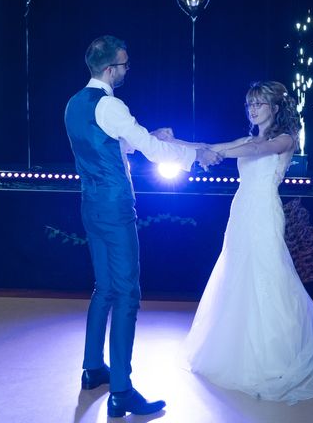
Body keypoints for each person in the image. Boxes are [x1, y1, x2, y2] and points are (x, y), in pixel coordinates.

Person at [180, 81, 313, 404]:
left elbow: (257, 151)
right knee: (237, 274)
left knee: (269, 276)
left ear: (274, 108)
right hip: (242, 211)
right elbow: (209, 144)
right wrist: (172, 141)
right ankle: (239, 348)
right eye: (250, 104)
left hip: (264, 212)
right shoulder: (247, 139)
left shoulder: (286, 139)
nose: (253, 110)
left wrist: (214, 152)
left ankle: (275, 356)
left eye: (259, 104)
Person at [64, 35, 221, 417]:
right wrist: (193, 156)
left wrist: (154, 135)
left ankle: (92, 370)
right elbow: (146, 148)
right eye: (124, 64)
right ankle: (121, 391)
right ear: (109, 69)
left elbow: (115, 143)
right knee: (128, 296)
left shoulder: (74, 104)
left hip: (90, 204)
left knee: (104, 288)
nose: (127, 70)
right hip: (116, 206)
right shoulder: (111, 104)